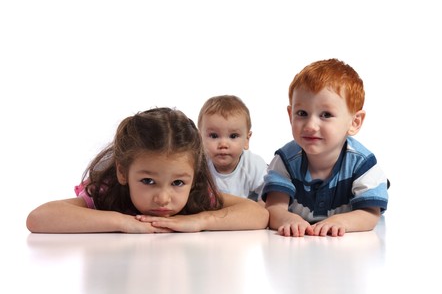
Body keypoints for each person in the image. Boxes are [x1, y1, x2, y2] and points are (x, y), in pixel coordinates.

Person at [26, 107, 269, 233]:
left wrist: (200, 220)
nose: (163, 198)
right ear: (123, 173)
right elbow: (38, 218)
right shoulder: (109, 192)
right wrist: (121, 222)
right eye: (148, 181)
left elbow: (258, 215)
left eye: (177, 183)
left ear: (193, 175)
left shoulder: (196, 196)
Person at [262, 58, 389, 237]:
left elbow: (370, 214)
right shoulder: (285, 160)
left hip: (346, 252)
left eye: (326, 115)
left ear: (354, 122)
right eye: (302, 113)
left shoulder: (362, 163)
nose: (311, 125)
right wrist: (286, 218)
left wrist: (342, 221)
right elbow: (274, 207)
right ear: (290, 115)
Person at [197, 95, 267, 203]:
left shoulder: (253, 165)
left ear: (246, 140)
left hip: (243, 213)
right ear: (200, 138)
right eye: (214, 136)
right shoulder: (199, 164)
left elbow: (270, 194)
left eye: (233, 136)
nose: (223, 144)